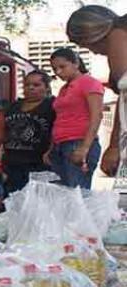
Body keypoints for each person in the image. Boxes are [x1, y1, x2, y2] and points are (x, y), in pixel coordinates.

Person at [67, 5, 127, 177]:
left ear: (92, 34)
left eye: (85, 44)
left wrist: (115, 146)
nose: (92, 51)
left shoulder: (117, 34)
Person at [46, 48, 104, 189]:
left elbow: (97, 116)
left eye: (62, 67)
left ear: (76, 64)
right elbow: (60, 118)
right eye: (54, 69)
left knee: (77, 196)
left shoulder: (89, 83)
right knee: (63, 196)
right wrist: (51, 148)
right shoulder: (64, 89)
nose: (58, 72)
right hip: (60, 145)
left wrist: (84, 148)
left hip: (77, 143)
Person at [2, 71, 55, 194]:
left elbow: (58, 130)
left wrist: (51, 150)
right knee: (13, 200)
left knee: (36, 201)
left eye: (36, 85)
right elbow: (2, 129)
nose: (30, 88)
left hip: (38, 163)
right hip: (12, 162)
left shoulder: (52, 105)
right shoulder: (13, 106)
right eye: (27, 85)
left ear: (46, 88)